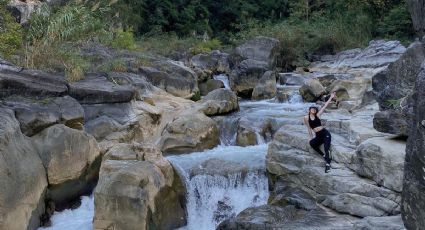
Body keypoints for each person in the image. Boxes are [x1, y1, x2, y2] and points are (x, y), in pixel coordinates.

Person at [303, 92, 336, 173]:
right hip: (318, 136)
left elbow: (324, 106)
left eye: (314, 109)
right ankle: (323, 155)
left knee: (326, 147)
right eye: (312, 109)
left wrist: (331, 97)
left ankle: (328, 164)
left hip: (325, 134)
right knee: (312, 143)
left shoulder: (317, 115)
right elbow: (309, 128)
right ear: (309, 110)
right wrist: (310, 137)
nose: (313, 110)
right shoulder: (306, 118)